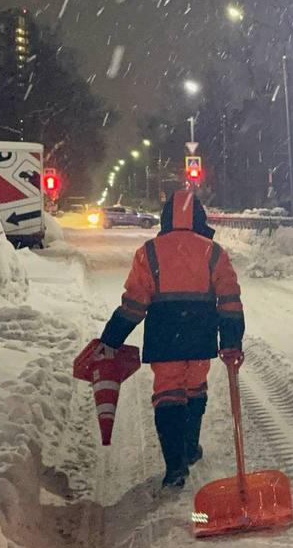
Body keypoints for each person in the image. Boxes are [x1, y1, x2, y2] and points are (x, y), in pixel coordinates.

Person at [96, 190, 245, 489]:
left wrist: (111, 338)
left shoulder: (149, 253)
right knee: (195, 388)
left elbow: (134, 304)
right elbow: (229, 300)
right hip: (200, 335)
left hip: (165, 336)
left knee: (168, 394)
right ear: (199, 217)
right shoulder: (213, 252)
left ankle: (175, 465)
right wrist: (231, 340)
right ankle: (189, 447)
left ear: (166, 217)